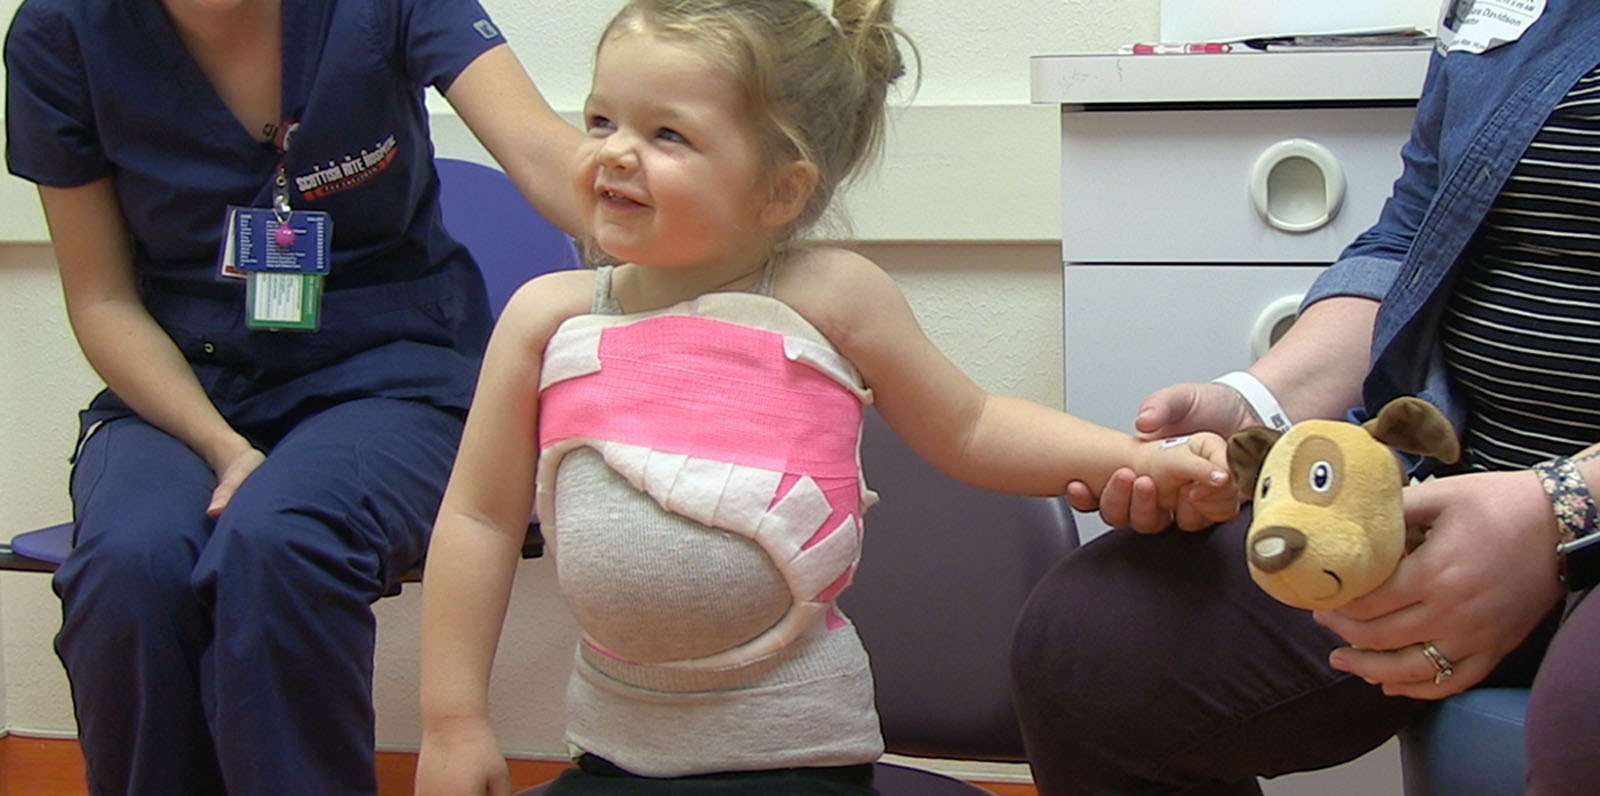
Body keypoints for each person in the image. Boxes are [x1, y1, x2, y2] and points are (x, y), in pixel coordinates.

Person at [413, 1, 1239, 793]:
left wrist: (1137, 458)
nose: (614, 153)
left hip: (797, 757)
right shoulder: (549, 317)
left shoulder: (826, 295)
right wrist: (453, 723)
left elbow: (973, 426)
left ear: (781, 190)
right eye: (601, 120)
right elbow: (480, 519)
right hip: (612, 754)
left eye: (667, 134)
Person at [1010, 2, 1600, 793]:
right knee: (1092, 644)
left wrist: (1565, 510)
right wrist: (1258, 406)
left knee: (1586, 713)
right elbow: (1418, 233)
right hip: (1454, 496)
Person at [3, 0, 582, 791]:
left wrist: (694, 221)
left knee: (281, 541)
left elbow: (544, 153)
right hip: (181, 384)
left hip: (392, 372)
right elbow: (101, 298)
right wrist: (221, 446)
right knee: (130, 564)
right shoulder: (62, 31)